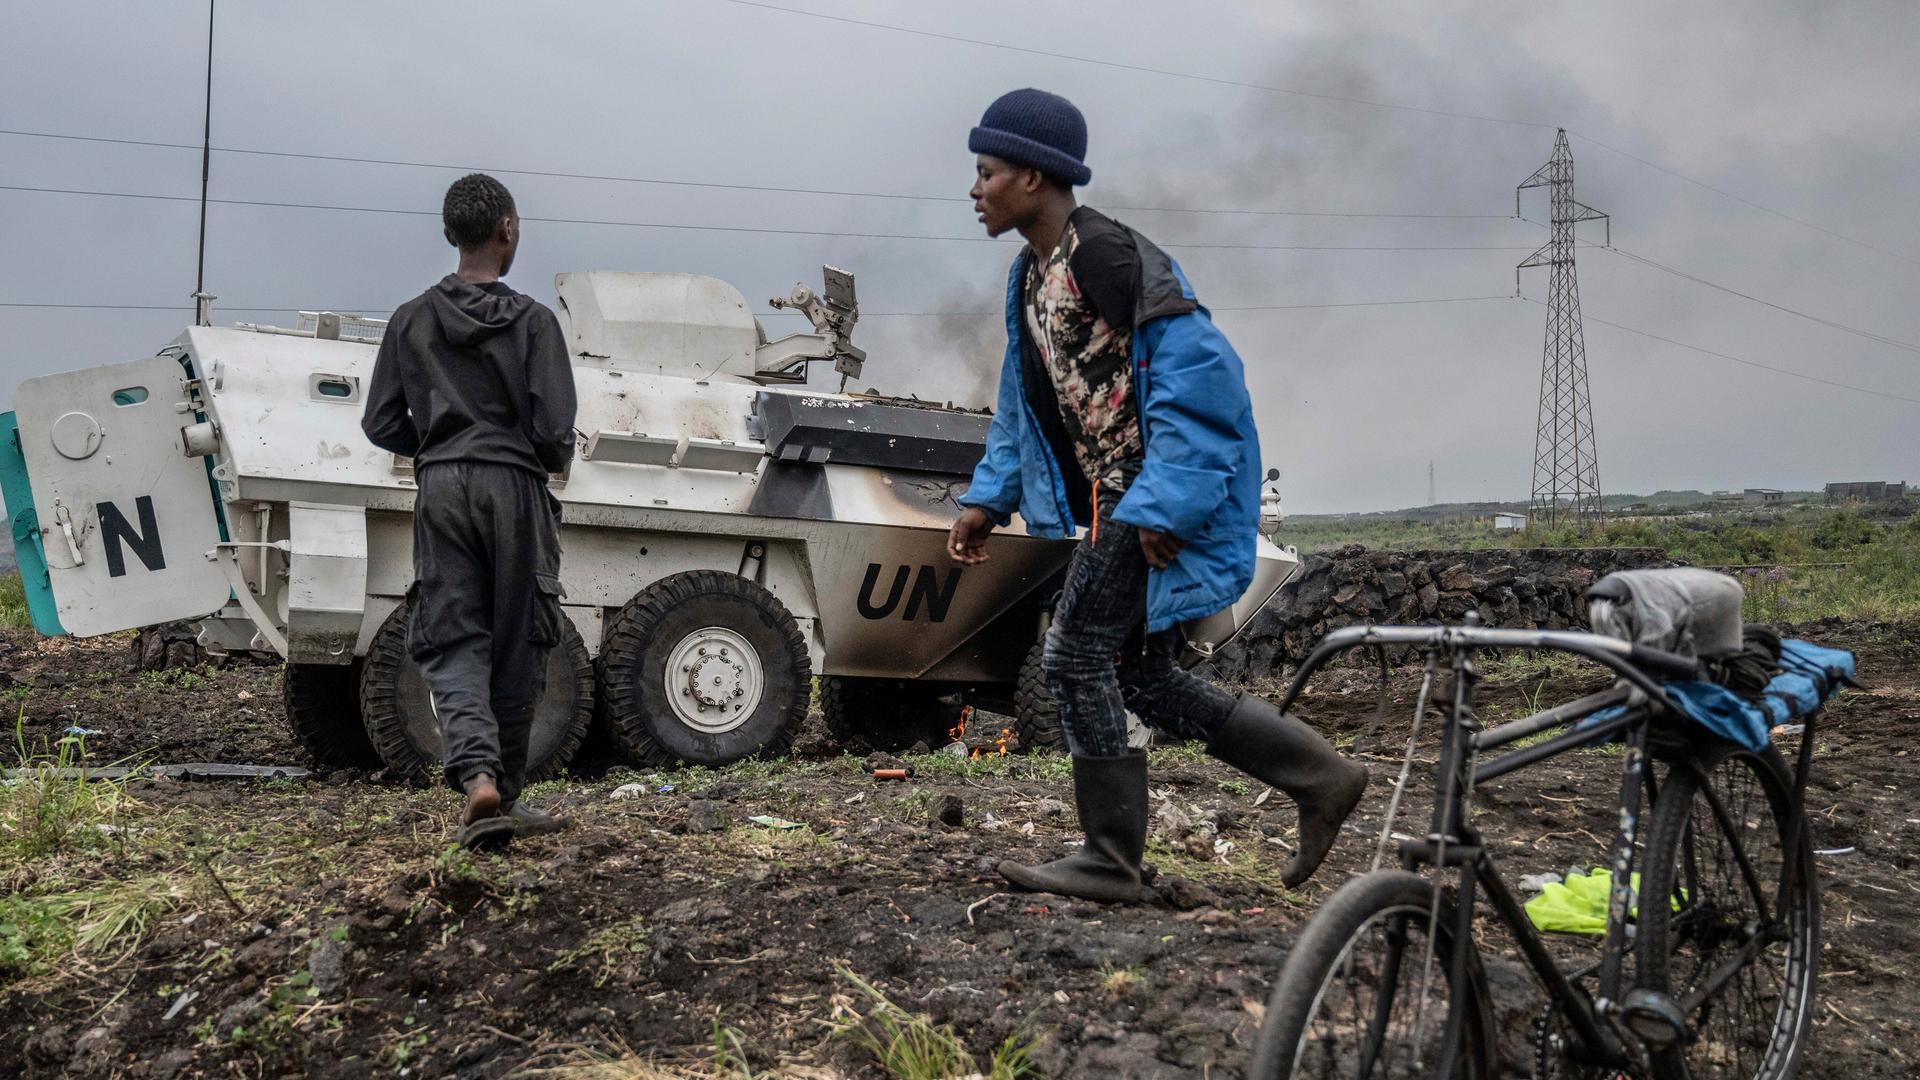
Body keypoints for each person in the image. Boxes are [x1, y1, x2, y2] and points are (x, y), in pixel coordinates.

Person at [949, 89, 1367, 903]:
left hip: (1142, 498)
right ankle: (1321, 776)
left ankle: (1111, 859)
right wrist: (988, 497)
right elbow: (1024, 398)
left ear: (1031, 177)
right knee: (1141, 677)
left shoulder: (1106, 255)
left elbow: (1203, 373)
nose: (975, 188)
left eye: (986, 171)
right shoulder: (1031, 275)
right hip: (1119, 499)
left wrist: (1166, 507)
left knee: (1072, 656)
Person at [362, 173, 578, 849]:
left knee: (454, 636)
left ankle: (482, 784)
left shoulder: (411, 319)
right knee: (521, 639)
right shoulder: (536, 323)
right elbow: (554, 430)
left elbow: (378, 422)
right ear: (507, 229)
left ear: (451, 233)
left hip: (442, 486)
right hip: (514, 486)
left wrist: (434, 445)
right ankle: (503, 790)